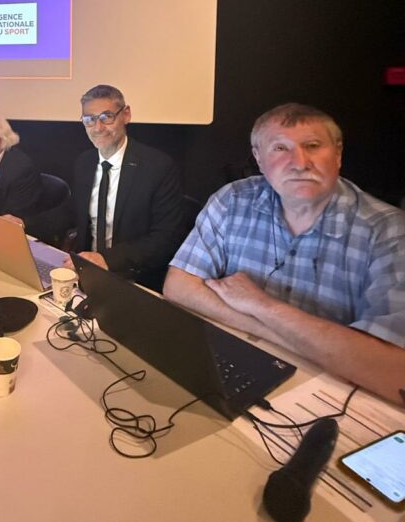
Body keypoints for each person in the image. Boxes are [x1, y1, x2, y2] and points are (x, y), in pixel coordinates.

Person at [164, 103, 405, 405]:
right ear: (259, 158)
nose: (300, 163)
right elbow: (178, 285)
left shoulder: (389, 231)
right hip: (244, 364)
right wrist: (282, 336)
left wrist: (261, 304)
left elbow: (395, 374)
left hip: (334, 397)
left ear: (338, 154)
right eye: (280, 148)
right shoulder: (232, 200)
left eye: (313, 145)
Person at [69, 84, 184, 289]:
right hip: (85, 275)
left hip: (134, 279)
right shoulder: (83, 163)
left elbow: (167, 238)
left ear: (126, 115)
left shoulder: (158, 167)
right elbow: (72, 214)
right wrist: (24, 222)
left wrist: (107, 259)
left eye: (106, 117)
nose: (98, 128)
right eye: (89, 120)